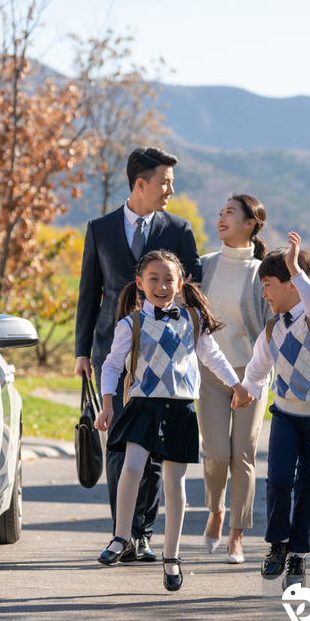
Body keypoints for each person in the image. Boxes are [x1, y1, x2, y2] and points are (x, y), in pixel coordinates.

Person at [94, 250, 253, 591]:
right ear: (140, 284)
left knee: (174, 484)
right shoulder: (130, 324)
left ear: (180, 284)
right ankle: (121, 538)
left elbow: (214, 357)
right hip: (142, 406)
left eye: (169, 279)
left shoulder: (193, 320)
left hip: (180, 409)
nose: (162, 285)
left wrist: (236, 384)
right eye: (153, 279)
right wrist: (107, 404)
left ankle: (171, 557)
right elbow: (111, 366)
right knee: (132, 467)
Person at [75, 146, 201, 563]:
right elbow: (89, 295)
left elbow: (192, 291)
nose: (170, 189)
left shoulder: (179, 229)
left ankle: (144, 533)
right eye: (165, 181)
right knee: (121, 448)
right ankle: (122, 532)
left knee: (153, 450)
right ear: (140, 184)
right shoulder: (99, 228)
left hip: (162, 358)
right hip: (113, 351)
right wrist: (81, 353)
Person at [235, 232, 310, 589]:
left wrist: (296, 269)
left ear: (295, 285)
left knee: (309, 486)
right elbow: (257, 369)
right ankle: (278, 545)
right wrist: (245, 392)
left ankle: (299, 556)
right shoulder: (271, 329)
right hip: (285, 417)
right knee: (279, 481)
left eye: (268, 284)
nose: (264, 293)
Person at [197, 195, 273, 564]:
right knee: (216, 452)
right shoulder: (203, 266)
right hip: (211, 373)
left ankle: (237, 535)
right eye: (221, 211)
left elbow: (273, 325)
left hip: (253, 373)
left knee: (243, 453)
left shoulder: (262, 272)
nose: (221, 217)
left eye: (230, 212)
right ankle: (216, 510)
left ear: (250, 224)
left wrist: (257, 377)